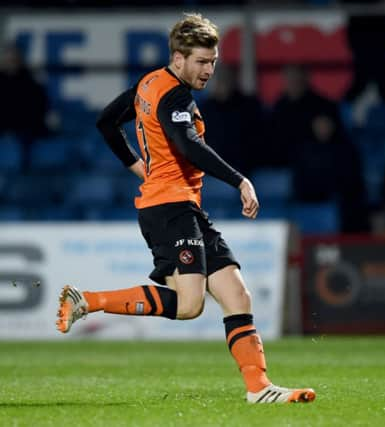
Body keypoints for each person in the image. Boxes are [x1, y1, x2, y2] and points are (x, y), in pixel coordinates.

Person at [55, 13, 315, 405]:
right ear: (178, 58)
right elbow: (187, 144)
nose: (209, 70)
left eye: (212, 62)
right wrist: (239, 180)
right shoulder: (175, 96)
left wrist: (137, 166)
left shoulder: (148, 84)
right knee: (190, 305)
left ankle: (259, 389)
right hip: (169, 208)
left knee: (237, 295)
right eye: (201, 61)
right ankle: (87, 300)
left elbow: (107, 122)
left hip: (182, 206)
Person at [198, 64, 265, 176]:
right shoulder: (205, 109)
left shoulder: (249, 106)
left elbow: (256, 140)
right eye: (221, 79)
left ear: (235, 80)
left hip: (242, 165)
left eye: (228, 78)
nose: (224, 83)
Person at [0, 42, 49, 168]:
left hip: (25, 133)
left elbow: (38, 112)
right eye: (8, 59)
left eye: (14, 59)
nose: (11, 62)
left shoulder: (32, 85)